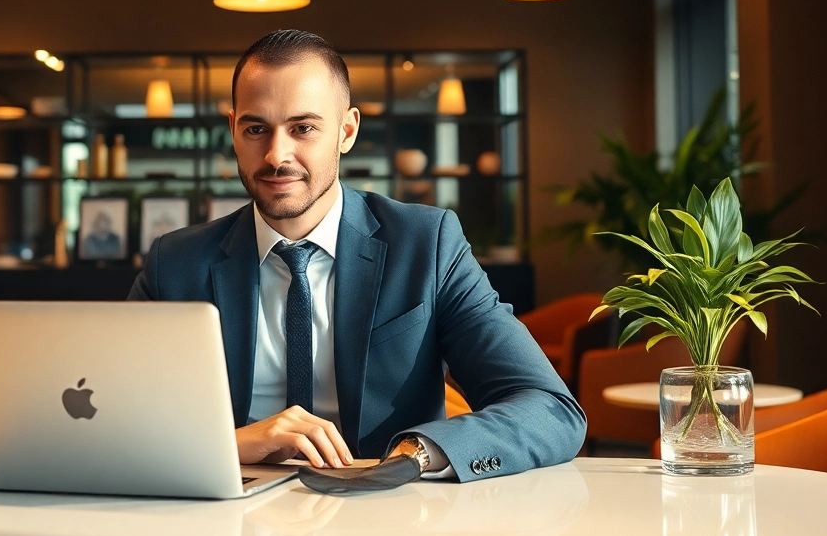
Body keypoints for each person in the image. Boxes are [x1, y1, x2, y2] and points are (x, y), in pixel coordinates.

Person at [129, 30, 585, 481]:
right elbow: (118, 417)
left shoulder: (427, 244)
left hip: (386, 513)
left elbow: (549, 407)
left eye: (303, 128)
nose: (275, 154)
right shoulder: (176, 263)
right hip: (223, 520)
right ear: (233, 130)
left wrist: (417, 454)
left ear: (346, 131)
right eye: (256, 129)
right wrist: (231, 441)